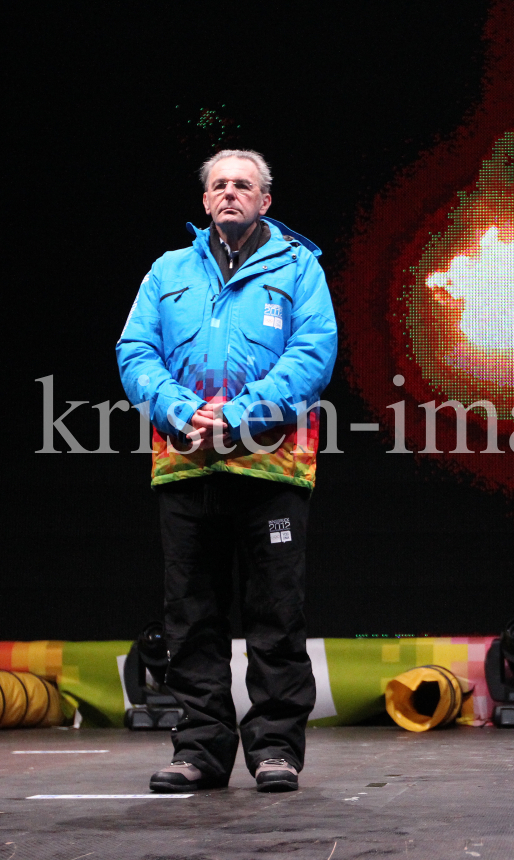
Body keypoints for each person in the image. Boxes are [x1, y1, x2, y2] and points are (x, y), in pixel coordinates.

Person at [117, 149, 337, 793]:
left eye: (244, 185)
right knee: (191, 615)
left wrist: (240, 414)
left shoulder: (300, 270)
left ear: (265, 200)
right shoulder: (168, 271)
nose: (231, 193)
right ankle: (200, 751)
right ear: (206, 200)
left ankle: (274, 749)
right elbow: (136, 350)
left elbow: (313, 352)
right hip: (185, 466)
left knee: (276, 613)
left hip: (272, 468)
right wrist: (181, 408)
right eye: (220, 186)